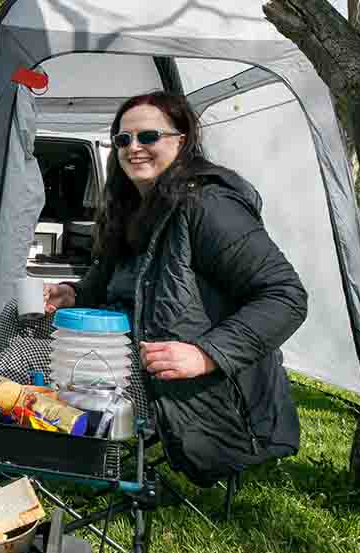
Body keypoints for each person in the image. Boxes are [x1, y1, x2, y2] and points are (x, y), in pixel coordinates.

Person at [43, 91, 308, 486]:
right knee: (22, 341)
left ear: (182, 141)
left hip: (189, 382)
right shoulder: (133, 205)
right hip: (125, 353)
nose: (134, 148)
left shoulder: (208, 205)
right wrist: (75, 293)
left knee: (22, 366)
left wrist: (206, 354)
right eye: (123, 140)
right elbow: (117, 280)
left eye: (148, 137)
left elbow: (286, 296)